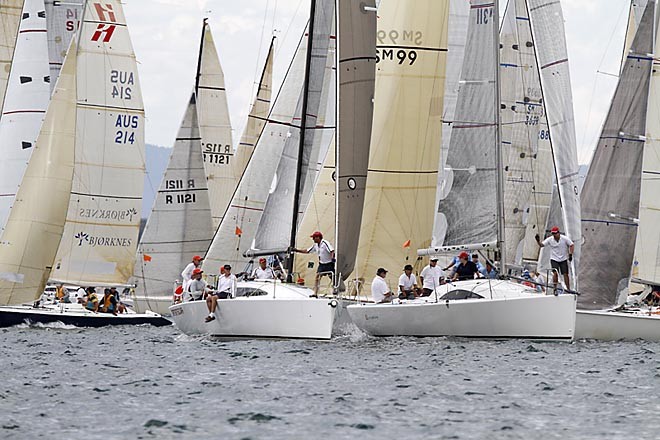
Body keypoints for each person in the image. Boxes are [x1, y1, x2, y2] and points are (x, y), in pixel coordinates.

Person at [292, 231, 335, 295]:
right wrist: (296, 250)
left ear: (318, 237)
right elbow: (307, 251)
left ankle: (335, 289)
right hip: (322, 264)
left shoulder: (325, 243)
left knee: (333, 277)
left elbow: (332, 250)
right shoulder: (315, 245)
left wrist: (332, 258)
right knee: (317, 277)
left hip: (329, 263)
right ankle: (315, 293)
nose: (313, 239)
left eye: (314, 238)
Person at [535, 226, 574, 292]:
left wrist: (570, 254)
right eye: (553, 234)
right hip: (554, 259)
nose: (554, 235)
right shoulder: (550, 239)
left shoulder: (564, 238)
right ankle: (555, 288)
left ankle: (568, 288)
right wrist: (538, 240)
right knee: (555, 273)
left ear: (558, 233)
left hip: (563, 259)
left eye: (555, 233)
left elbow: (571, 245)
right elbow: (542, 245)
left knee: (565, 274)